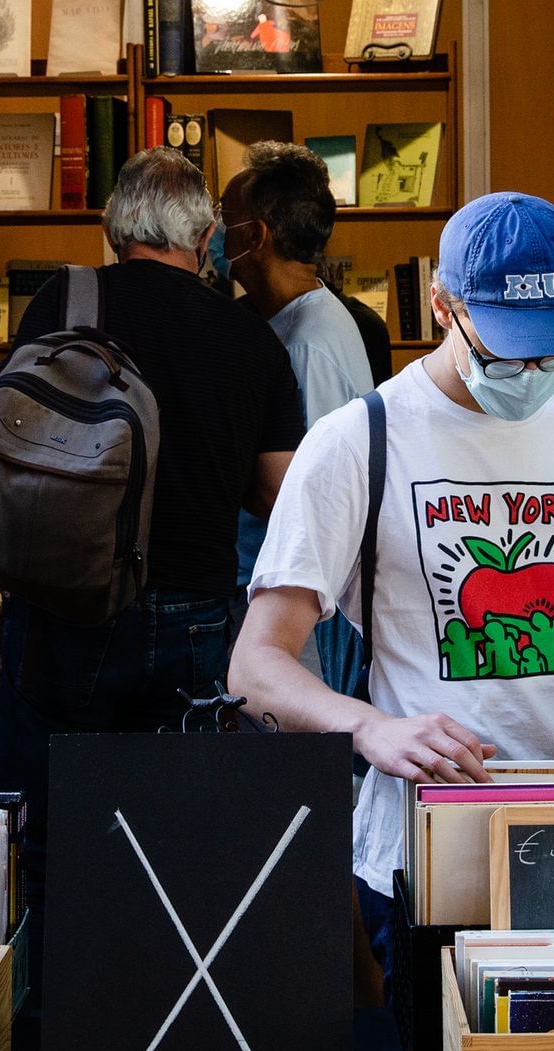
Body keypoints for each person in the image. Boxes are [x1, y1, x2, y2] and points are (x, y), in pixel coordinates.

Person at [228, 193, 554, 975]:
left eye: (552, 354)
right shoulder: (358, 442)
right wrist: (370, 728)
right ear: (445, 308)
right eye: (510, 350)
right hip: (426, 855)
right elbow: (254, 666)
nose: (530, 373)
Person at [0, 149, 304, 973]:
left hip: (64, 605)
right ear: (204, 237)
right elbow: (279, 497)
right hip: (196, 616)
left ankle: (48, 1025)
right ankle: (160, 1018)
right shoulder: (251, 339)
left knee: (46, 823)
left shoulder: (62, 301)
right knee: (178, 831)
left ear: (113, 228)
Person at [221, 141, 376, 690]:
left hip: (296, 605)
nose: (216, 233)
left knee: (295, 751)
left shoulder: (310, 343)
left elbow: (310, 494)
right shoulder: (281, 323)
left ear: (255, 236)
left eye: (225, 218)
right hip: (274, 588)